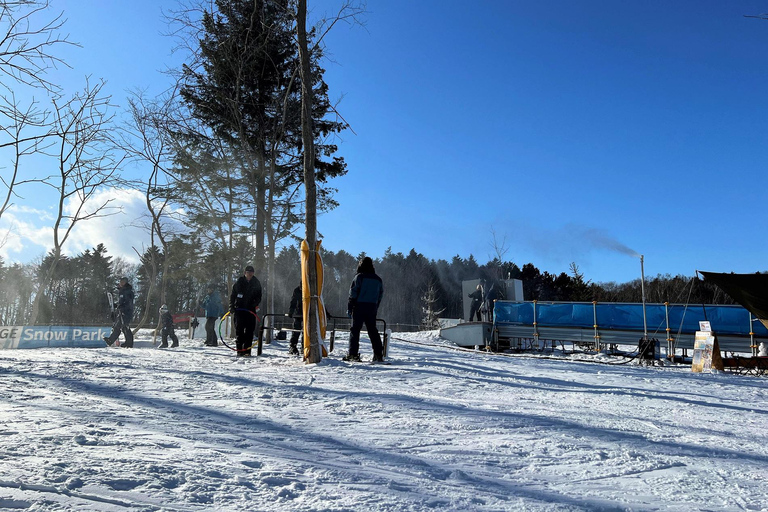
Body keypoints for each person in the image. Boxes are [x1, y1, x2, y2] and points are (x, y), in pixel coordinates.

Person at [345, 256, 384, 362]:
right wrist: (376, 306)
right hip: (372, 307)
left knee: (355, 330)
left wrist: (350, 307)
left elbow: (353, 293)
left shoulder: (359, 277)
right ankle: (378, 354)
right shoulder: (378, 279)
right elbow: (380, 295)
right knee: (373, 331)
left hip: (359, 306)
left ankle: (353, 354)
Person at [229, 265, 262, 357]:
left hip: (250, 310)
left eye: (251, 272)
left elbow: (259, 296)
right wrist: (231, 306)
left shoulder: (256, 283)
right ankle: (240, 350)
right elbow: (233, 296)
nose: (250, 274)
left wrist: (254, 303)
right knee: (239, 331)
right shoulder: (239, 282)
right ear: (245, 273)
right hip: (239, 310)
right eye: (248, 272)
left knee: (249, 331)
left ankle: (247, 351)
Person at [105, 277, 135, 348]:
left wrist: (122, 307)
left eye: (122, 282)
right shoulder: (122, 291)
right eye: (120, 282)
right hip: (121, 311)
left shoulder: (128, 291)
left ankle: (129, 343)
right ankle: (110, 340)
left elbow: (128, 303)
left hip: (126, 312)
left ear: (125, 282)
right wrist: (117, 305)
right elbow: (122, 302)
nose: (120, 283)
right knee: (117, 326)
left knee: (125, 327)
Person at [287, 282, 302, 356]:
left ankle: (304, 345)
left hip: (308, 313)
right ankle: (293, 346)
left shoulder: (310, 290)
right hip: (298, 313)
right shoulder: (297, 290)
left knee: (307, 331)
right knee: (296, 330)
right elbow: (293, 301)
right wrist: (291, 311)